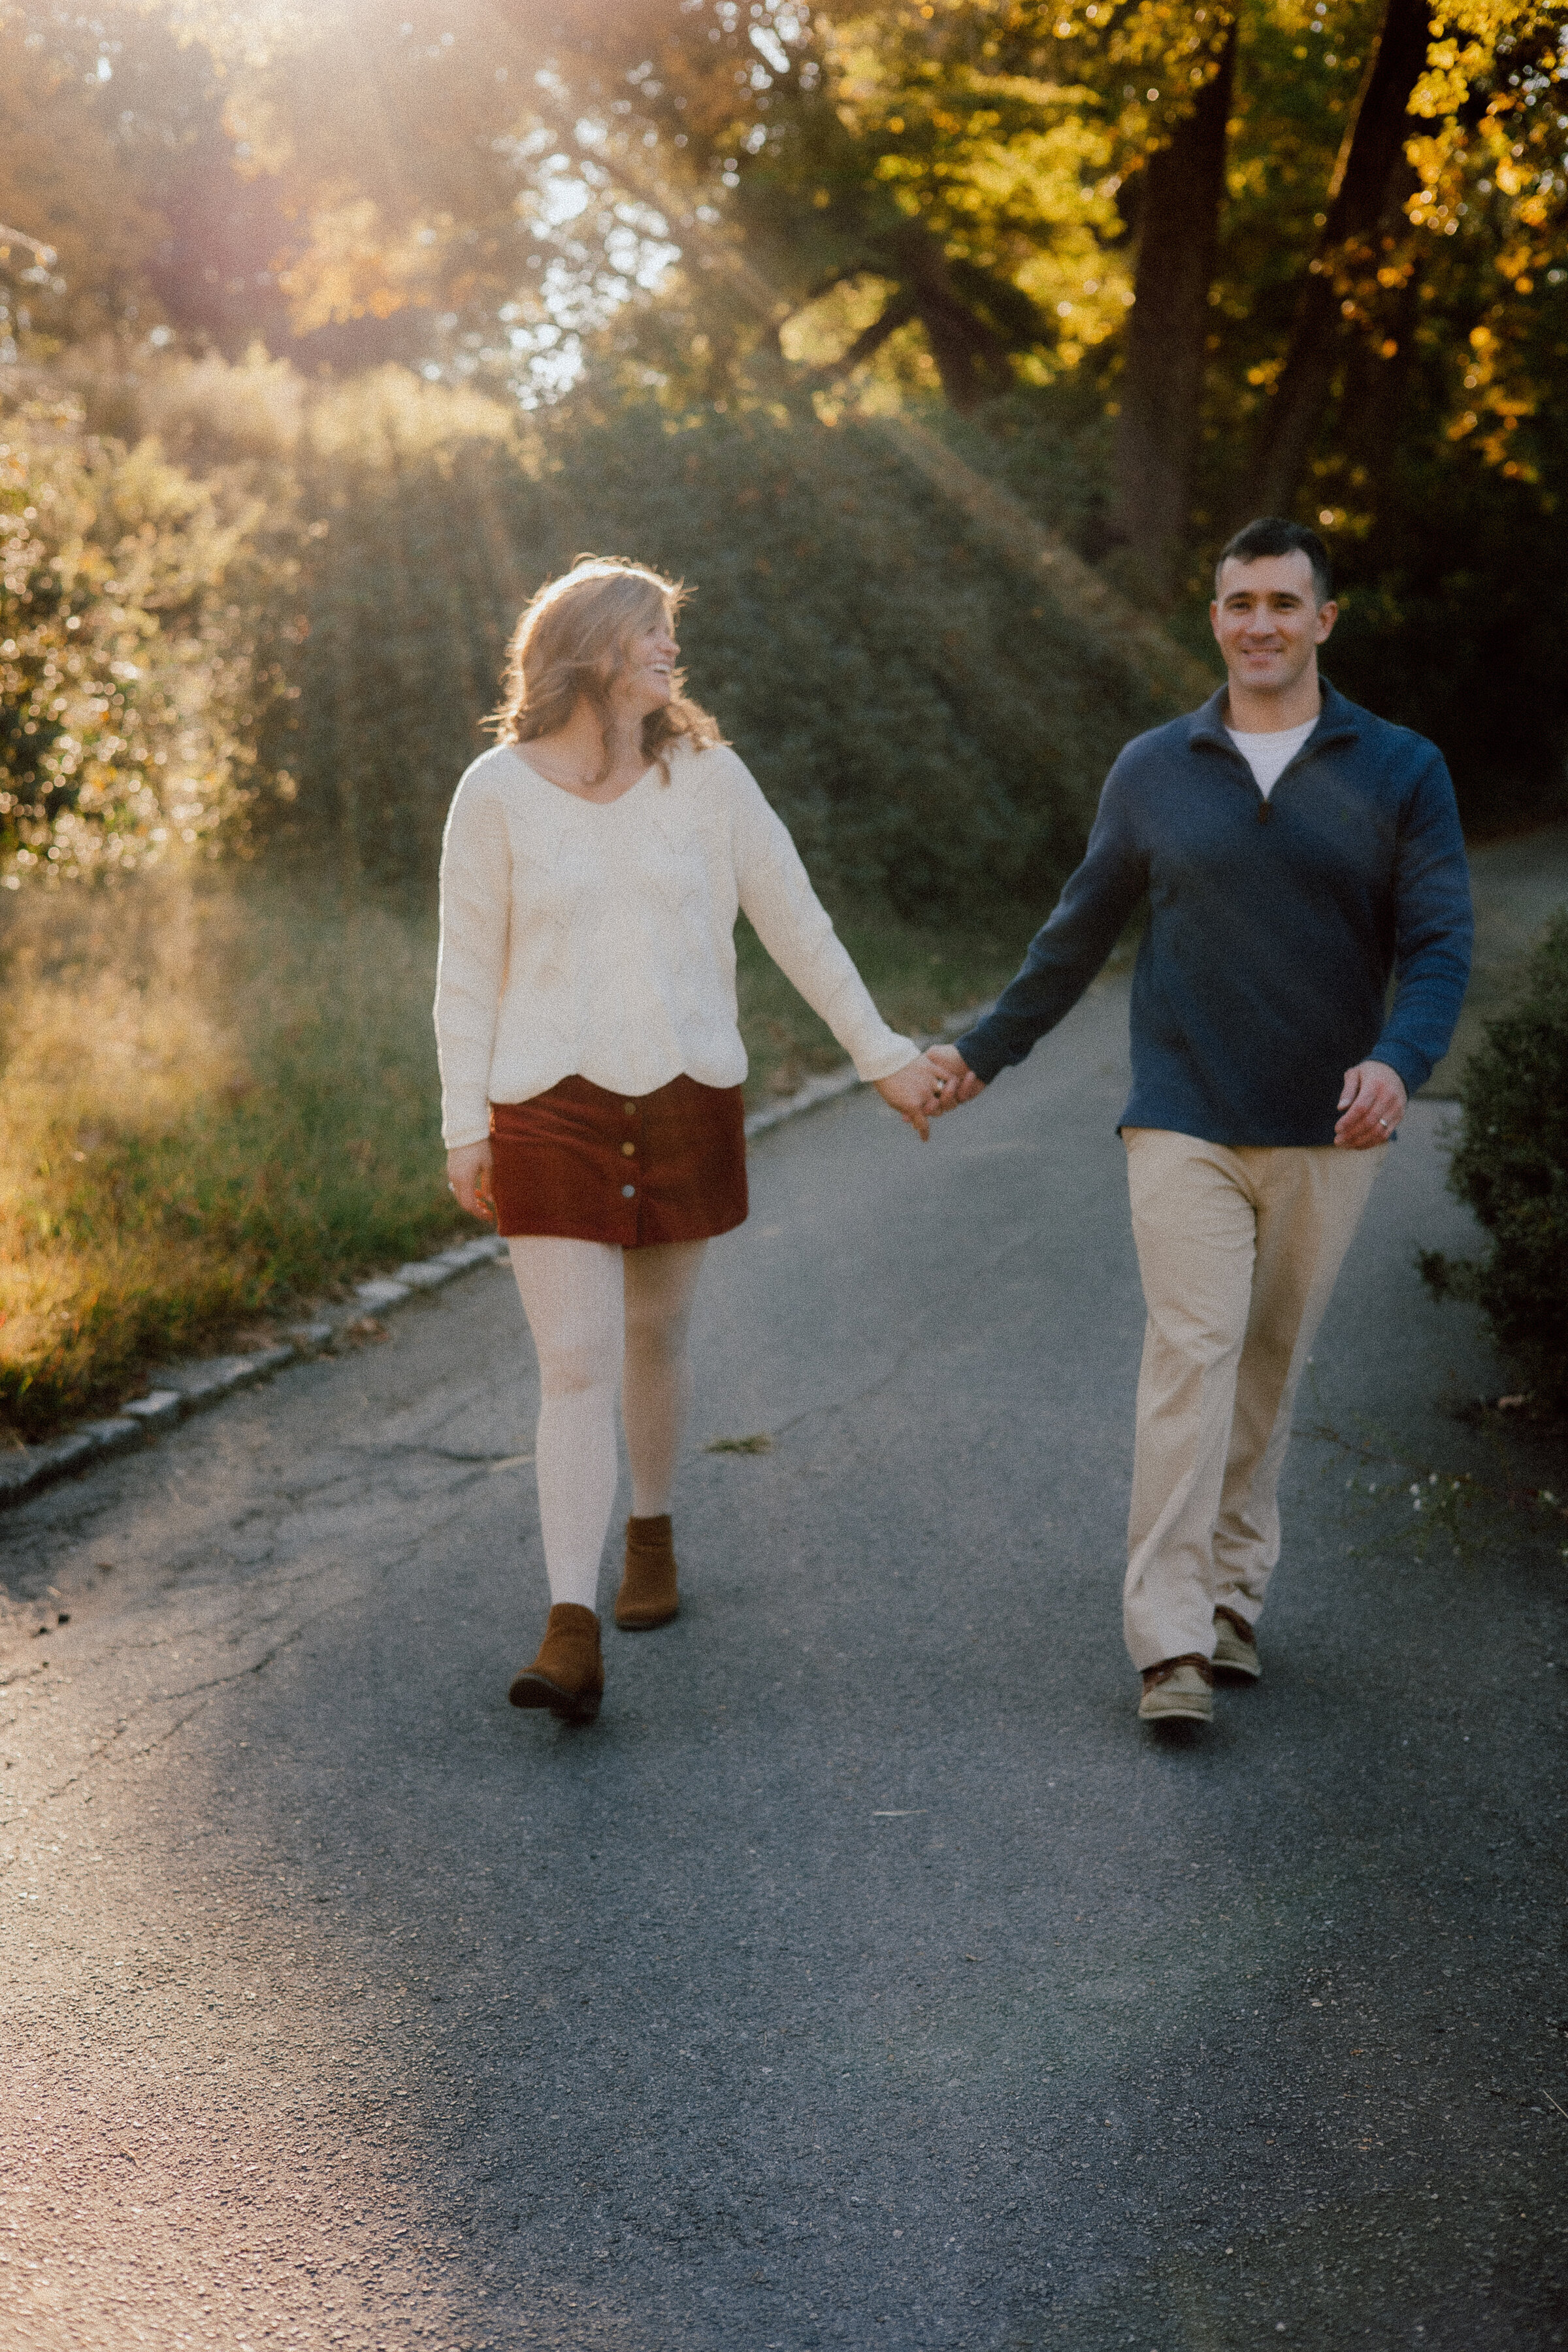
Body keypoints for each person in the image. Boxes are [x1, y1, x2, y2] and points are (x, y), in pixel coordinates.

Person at [929, 517, 1472, 1726]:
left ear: (1325, 620)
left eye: (1285, 603)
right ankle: (1170, 1641)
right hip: (1181, 1114)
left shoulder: (1401, 770)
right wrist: (979, 1055)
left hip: (1330, 1128)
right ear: (1215, 619)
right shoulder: (1155, 768)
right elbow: (1076, 938)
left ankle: (1233, 1597)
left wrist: (1399, 1057)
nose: (1261, 625)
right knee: (1194, 1356)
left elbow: (1438, 943)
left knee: (1266, 1368)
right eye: (1239, 604)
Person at [435, 557, 953, 1724]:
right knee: (574, 1359)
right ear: (591, 650)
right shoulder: (495, 793)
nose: (673, 653)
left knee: (655, 1336)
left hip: (683, 1095)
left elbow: (798, 924)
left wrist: (882, 1055)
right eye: (653, 634)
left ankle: (652, 1532)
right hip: (548, 1110)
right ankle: (570, 1627)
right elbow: (463, 974)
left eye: (672, 635)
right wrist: (466, 1121)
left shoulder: (710, 781)